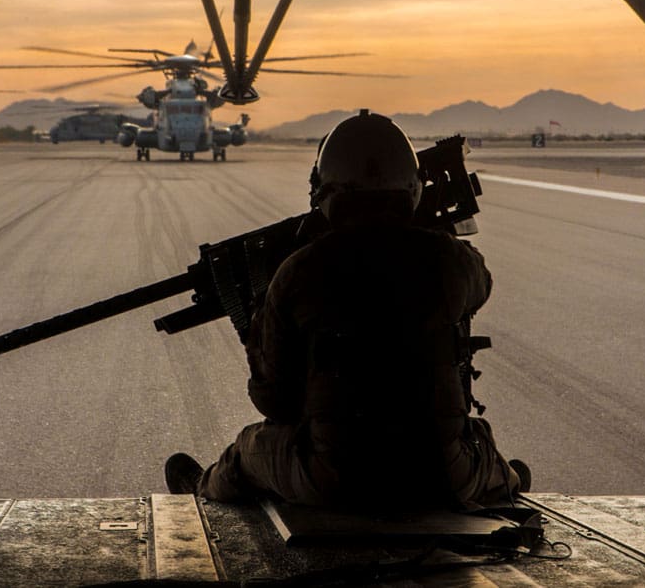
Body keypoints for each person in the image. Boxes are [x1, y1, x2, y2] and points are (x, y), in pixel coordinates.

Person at [165, 110, 528, 510]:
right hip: (442, 476)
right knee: (478, 438)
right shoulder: (452, 262)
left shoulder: (298, 272)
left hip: (335, 482)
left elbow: (274, 402)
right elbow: (479, 286)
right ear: (411, 187)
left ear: (325, 192)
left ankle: (204, 488)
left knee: (247, 449)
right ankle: (504, 481)